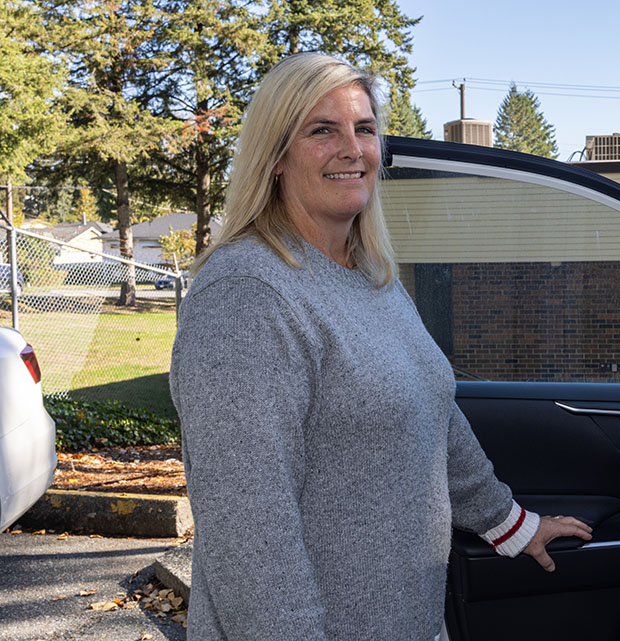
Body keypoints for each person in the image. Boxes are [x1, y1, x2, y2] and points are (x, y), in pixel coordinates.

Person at [169, 52, 592, 641]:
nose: (353, 149)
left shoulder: (372, 279)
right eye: (322, 130)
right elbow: (250, 530)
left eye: (364, 129)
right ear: (275, 158)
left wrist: (510, 524)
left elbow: (434, 416)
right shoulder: (247, 294)